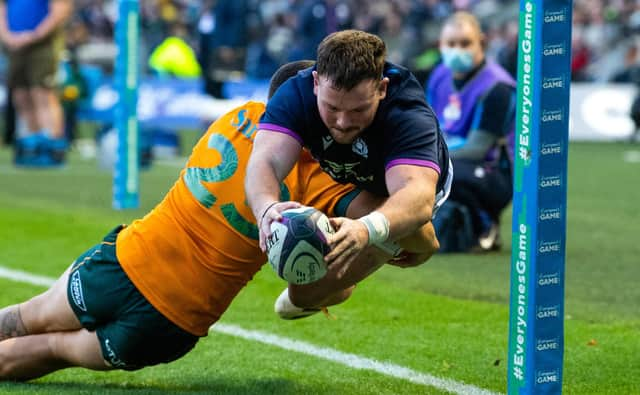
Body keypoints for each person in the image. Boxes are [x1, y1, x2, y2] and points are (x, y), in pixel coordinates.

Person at [0, 60, 425, 381]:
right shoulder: (321, 182)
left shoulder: (235, 117)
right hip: (170, 325)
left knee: (25, 316)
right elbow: (420, 237)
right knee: (53, 349)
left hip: (125, 264)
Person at [245, 30, 451, 319]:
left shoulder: (407, 113)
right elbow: (264, 160)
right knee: (302, 295)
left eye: (358, 110)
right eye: (331, 108)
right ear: (316, 83)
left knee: (295, 301)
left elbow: (417, 195)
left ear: (381, 88)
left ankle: (418, 239)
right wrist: (265, 206)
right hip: (351, 172)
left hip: (400, 189)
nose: (342, 122)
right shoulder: (295, 93)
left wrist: (366, 229)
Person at [426, 12, 516, 252]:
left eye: (465, 43)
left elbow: (477, 149)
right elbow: (427, 125)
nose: (457, 50)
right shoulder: (439, 76)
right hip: (450, 159)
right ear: (441, 45)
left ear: (482, 43)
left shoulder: (497, 87)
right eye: (451, 44)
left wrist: (426, 157)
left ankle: (485, 224)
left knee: (436, 171)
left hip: (494, 172)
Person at [0, 0, 72, 167]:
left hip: (43, 45)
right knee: (21, 96)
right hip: (13, 45)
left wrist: (34, 35)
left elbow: (61, 10)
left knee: (43, 94)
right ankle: (33, 145)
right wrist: (7, 36)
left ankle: (53, 147)